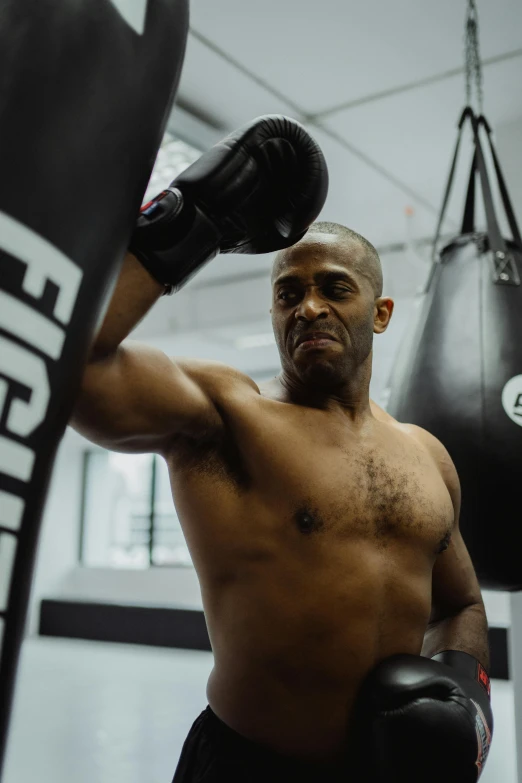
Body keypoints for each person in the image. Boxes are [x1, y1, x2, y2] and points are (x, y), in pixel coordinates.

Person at [70, 118, 493, 783]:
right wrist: (193, 222)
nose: (309, 307)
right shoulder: (226, 413)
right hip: (244, 765)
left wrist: (470, 700)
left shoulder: (427, 456)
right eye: (288, 294)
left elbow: (460, 603)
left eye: (334, 288)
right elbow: (73, 368)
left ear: (379, 313)